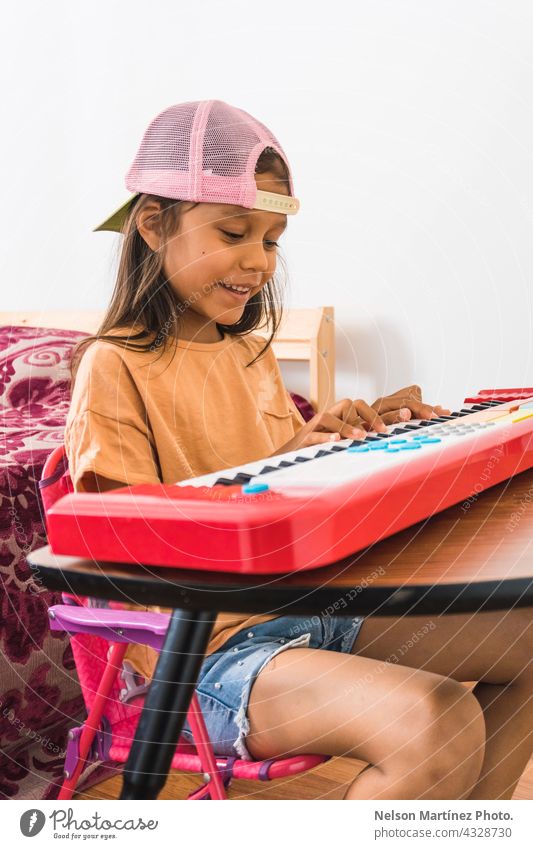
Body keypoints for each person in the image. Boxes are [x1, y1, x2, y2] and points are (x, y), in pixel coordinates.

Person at [66, 99, 533, 800]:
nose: (258, 262)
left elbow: (268, 475)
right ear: (155, 225)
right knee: (433, 719)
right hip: (205, 654)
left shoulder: (248, 356)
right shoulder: (114, 367)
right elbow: (129, 549)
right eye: (234, 232)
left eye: (272, 239)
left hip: (312, 611)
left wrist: (331, 442)